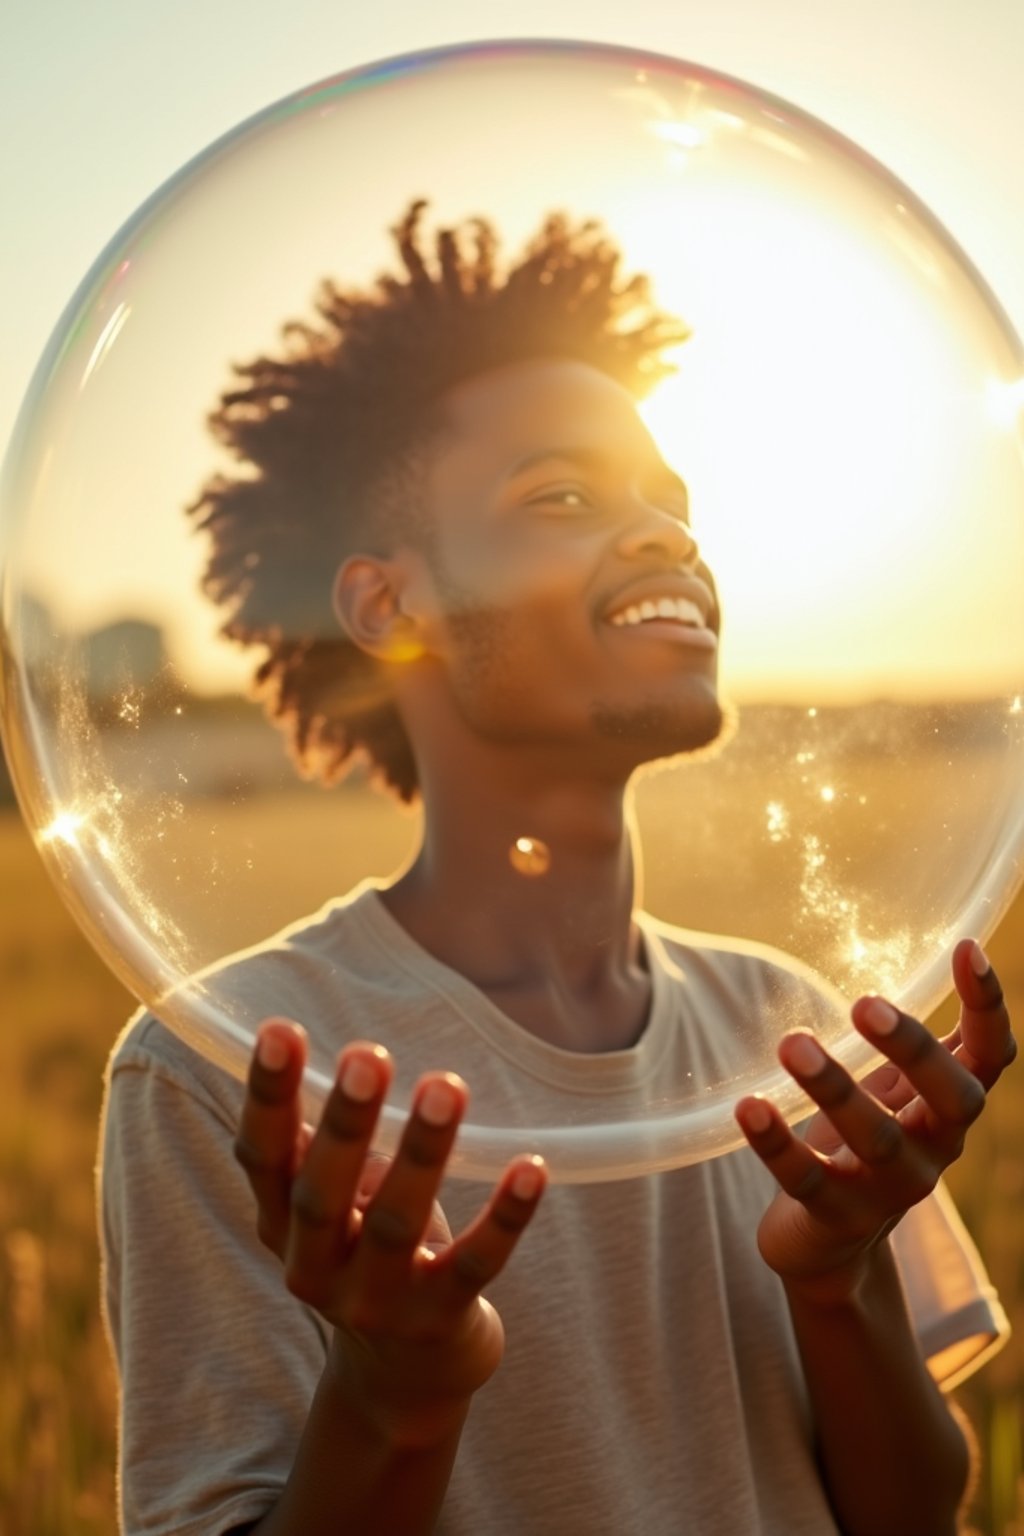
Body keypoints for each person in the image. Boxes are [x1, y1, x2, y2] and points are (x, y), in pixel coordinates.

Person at [99, 201, 1015, 1536]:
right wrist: (399, 1390)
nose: (668, 537)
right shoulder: (225, 1070)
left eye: (672, 502)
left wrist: (838, 1278)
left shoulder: (790, 1031)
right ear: (388, 606)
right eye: (566, 496)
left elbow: (915, 1513)